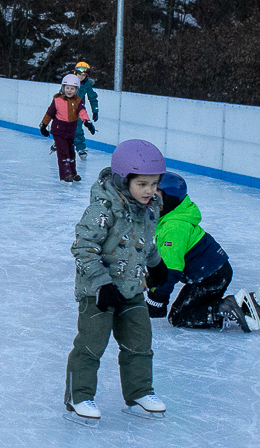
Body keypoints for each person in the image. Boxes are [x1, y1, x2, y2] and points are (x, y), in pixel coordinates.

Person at [63, 139, 168, 426]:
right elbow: (83, 248)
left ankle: (139, 393)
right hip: (98, 291)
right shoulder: (103, 209)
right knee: (91, 345)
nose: (150, 191)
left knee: (139, 342)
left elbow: (145, 240)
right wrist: (102, 284)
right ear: (124, 180)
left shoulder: (151, 206)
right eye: (142, 184)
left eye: (154, 184)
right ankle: (78, 396)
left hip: (132, 287)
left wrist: (156, 264)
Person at [145, 172, 260, 332]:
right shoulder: (173, 217)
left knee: (179, 316)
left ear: (170, 199)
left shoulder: (174, 228)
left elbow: (170, 270)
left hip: (210, 277)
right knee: (194, 306)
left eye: (155, 197)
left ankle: (228, 307)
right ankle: (247, 305)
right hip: (214, 271)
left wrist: (158, 299)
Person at [40, 74, 94, 183]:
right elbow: (49, 113)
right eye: (67, 88)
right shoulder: (57, 100)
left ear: (76, 90)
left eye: (72, 88)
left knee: (71, 152)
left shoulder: (78, 101)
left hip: (70, 131)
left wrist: (87, 122)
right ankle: (66, 174)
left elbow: (82, 112)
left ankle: (73, 173)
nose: (69, 91)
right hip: (58, 130)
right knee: (63, 152)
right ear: (63, 88)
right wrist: (44, 125)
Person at [73, 62, 100, 160]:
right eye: (79, 74)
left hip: (79, 110)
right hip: (66, 109)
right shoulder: (70, 81)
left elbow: (92, 97)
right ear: (75, 73)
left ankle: (80, 148)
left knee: (78, 129)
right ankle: (59, 143)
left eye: (83, 75)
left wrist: (95, 111)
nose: (81, 77)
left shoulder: (87, 84)